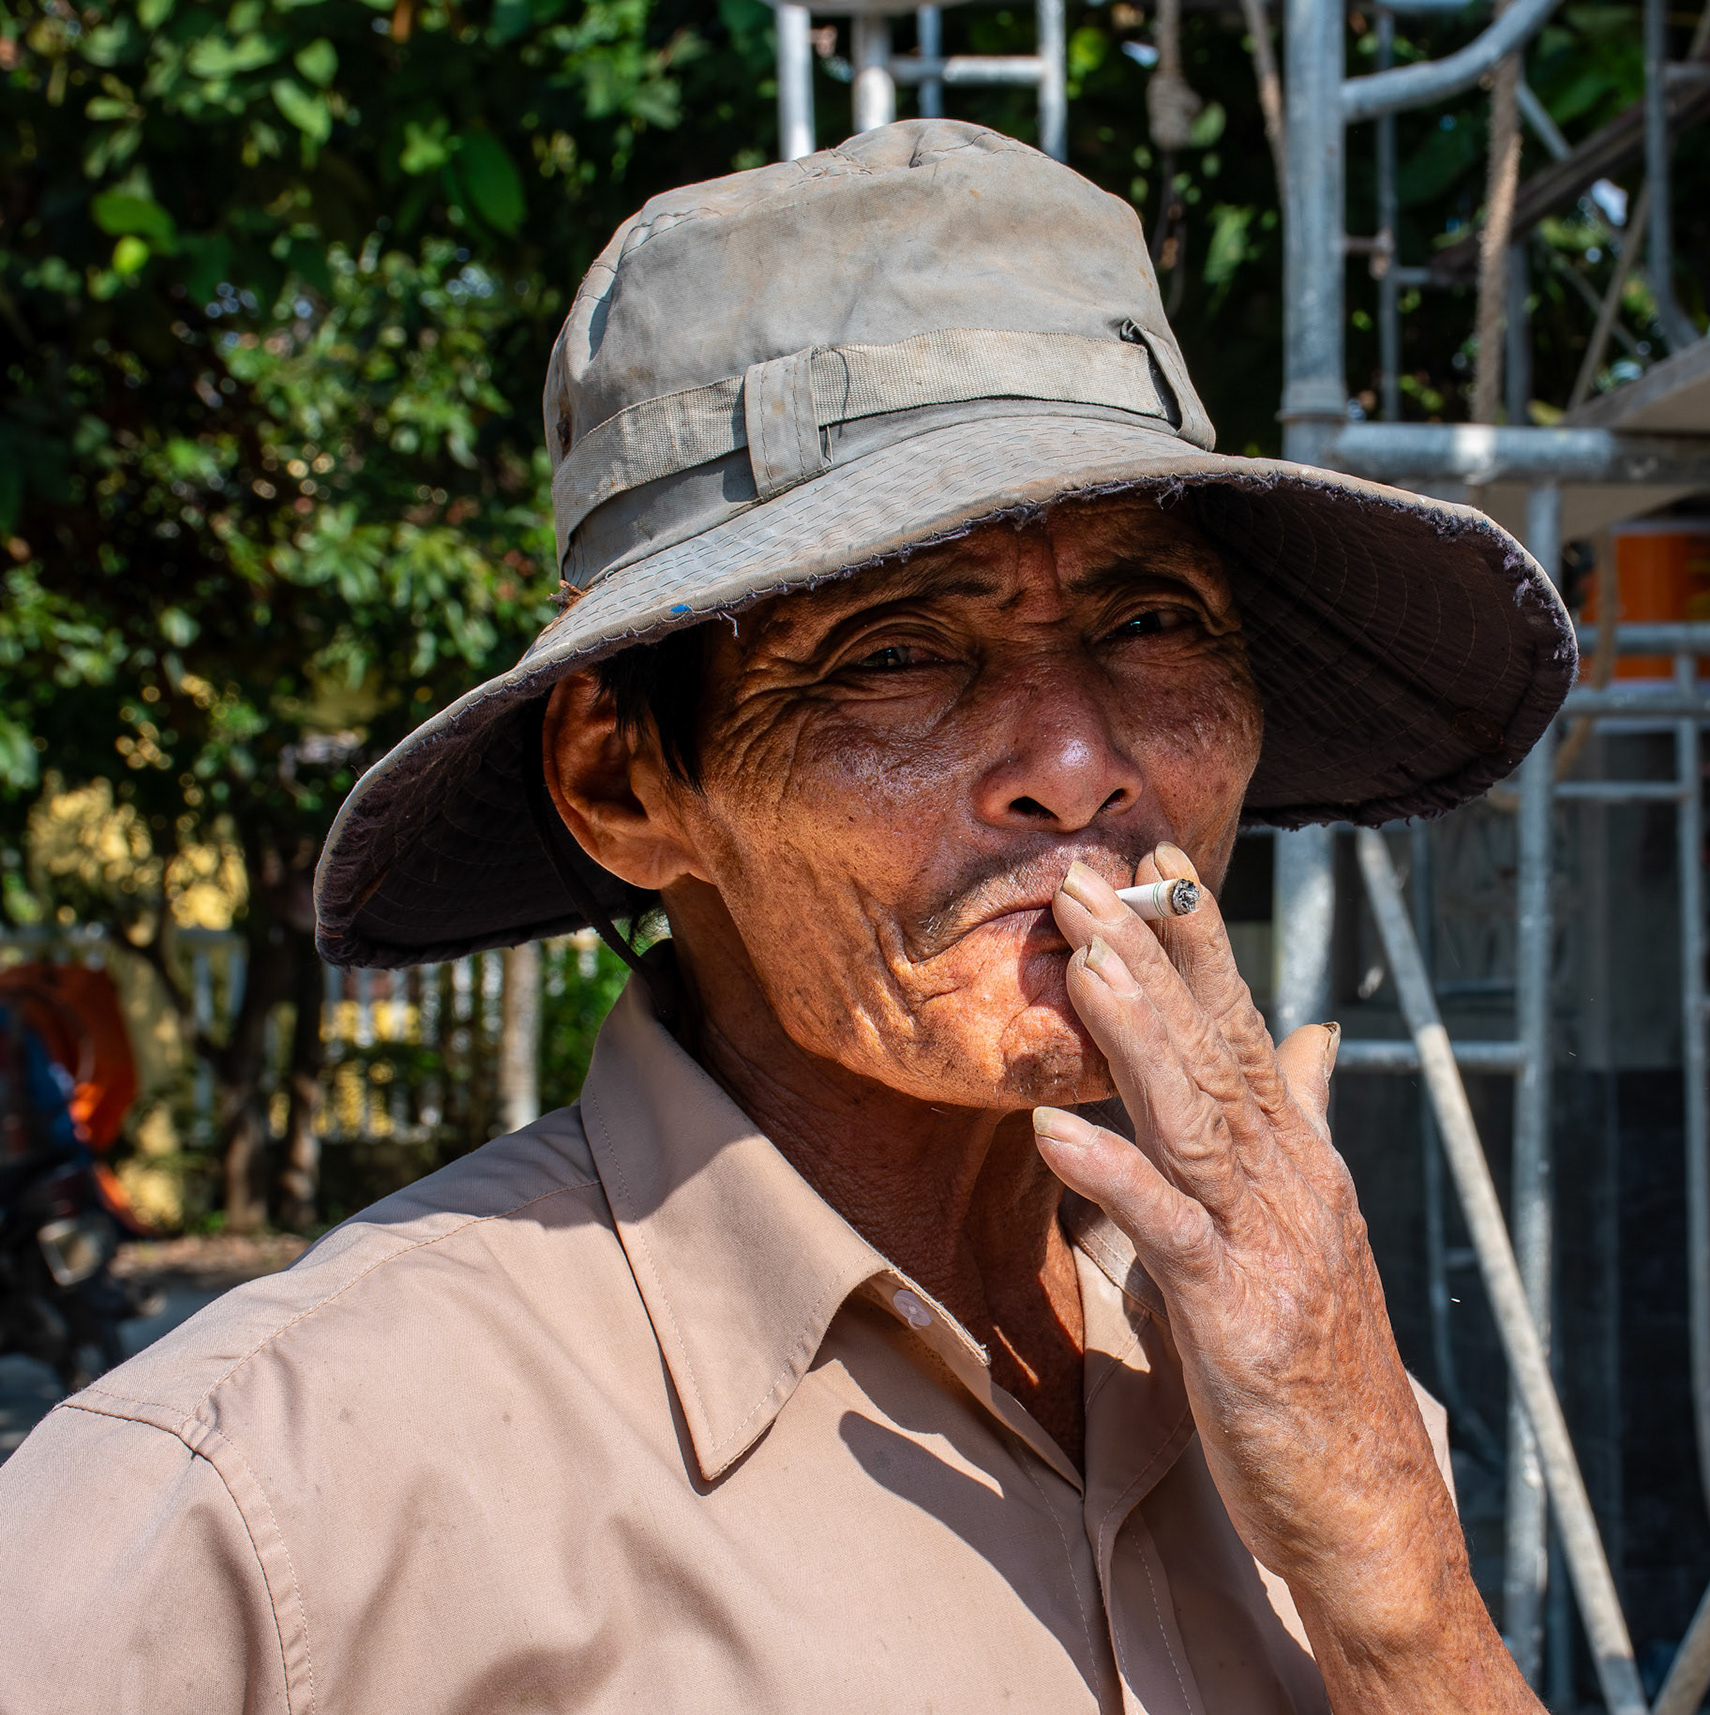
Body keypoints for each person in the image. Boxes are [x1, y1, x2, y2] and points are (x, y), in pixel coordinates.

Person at [0, 121, 1575, 1713]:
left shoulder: (1287, 1363)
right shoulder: (266, 1513)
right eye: (894, 655)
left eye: (1152, 622)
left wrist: (1395, 1578)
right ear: (628, 783)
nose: (1080, 767)